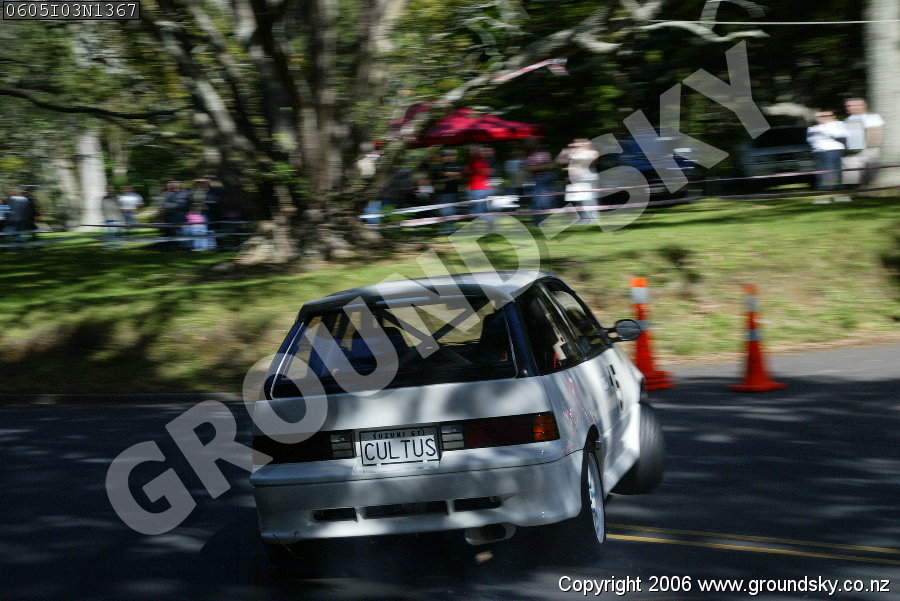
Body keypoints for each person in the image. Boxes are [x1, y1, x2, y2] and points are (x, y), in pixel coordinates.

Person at [842, 97, 884, 188]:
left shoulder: (872, 117)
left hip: (869, 150)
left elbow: (875, 134)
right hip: (852, 152)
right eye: (849, 106)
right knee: (851, 176)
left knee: (870, 176)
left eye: (856, 105)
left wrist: (868, 149)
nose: (852, 108)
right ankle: (854, 190)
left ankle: (869, 189)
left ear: (865, 105)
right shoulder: (847, 119)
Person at [556, 138, 600, 224]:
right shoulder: (573, 152)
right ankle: (583, 218)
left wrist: (574, 157)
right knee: (579, 200)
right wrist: (567, 152)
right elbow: (559, 160)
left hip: (589, 179)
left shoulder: (592, 152)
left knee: (589, 200)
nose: (577, 145)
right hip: (577, 180)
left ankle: (593, 219)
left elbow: (589, 161)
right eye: (576, 144)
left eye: (580, 144)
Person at [806, 110, 848, 194]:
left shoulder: (838, 124)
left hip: (832, 150)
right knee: (820, 172)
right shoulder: (812, 128)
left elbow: (841, 135)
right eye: (820, 116)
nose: (823, 118)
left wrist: (828, 126)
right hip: (818, 151)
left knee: (831, 171)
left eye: (826, 116)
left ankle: (834, 190)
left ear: (833, 116)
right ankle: (823, 189)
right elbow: (810, 139)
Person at [524, 138, 556, 225]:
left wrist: (533, 168)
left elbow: (549, 166)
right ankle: (538, 221)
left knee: (542, 201)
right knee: (535, 201)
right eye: (528, 143)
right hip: (535, 180)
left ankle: (540, 221)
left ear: (536, 144)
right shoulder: (529, 156)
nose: (529, 145)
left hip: (544, 179)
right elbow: (526, 168)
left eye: (531, 143)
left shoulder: (544, 154)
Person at [431, 149, 462, 234]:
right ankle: (445, 229)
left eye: (450, 155)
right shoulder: (439, 166)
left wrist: (448, 175)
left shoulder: (456, 165)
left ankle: (451, 228)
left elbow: (459, 176)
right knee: (444, 211)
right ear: (442, 157)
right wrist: (453, 175)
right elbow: (441, 174)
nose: (448, 157)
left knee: (453, 211)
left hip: (454, 192)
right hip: (442, 193)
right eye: (446, 156)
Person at [465, 144, 492, 215]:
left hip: (477, 188)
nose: (470, 151)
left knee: (477, 210)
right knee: (482, 208)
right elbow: (486, 171)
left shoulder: (476, 160)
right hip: (481, 188)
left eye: (471, 150)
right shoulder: (480, 160)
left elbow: (483, 171)